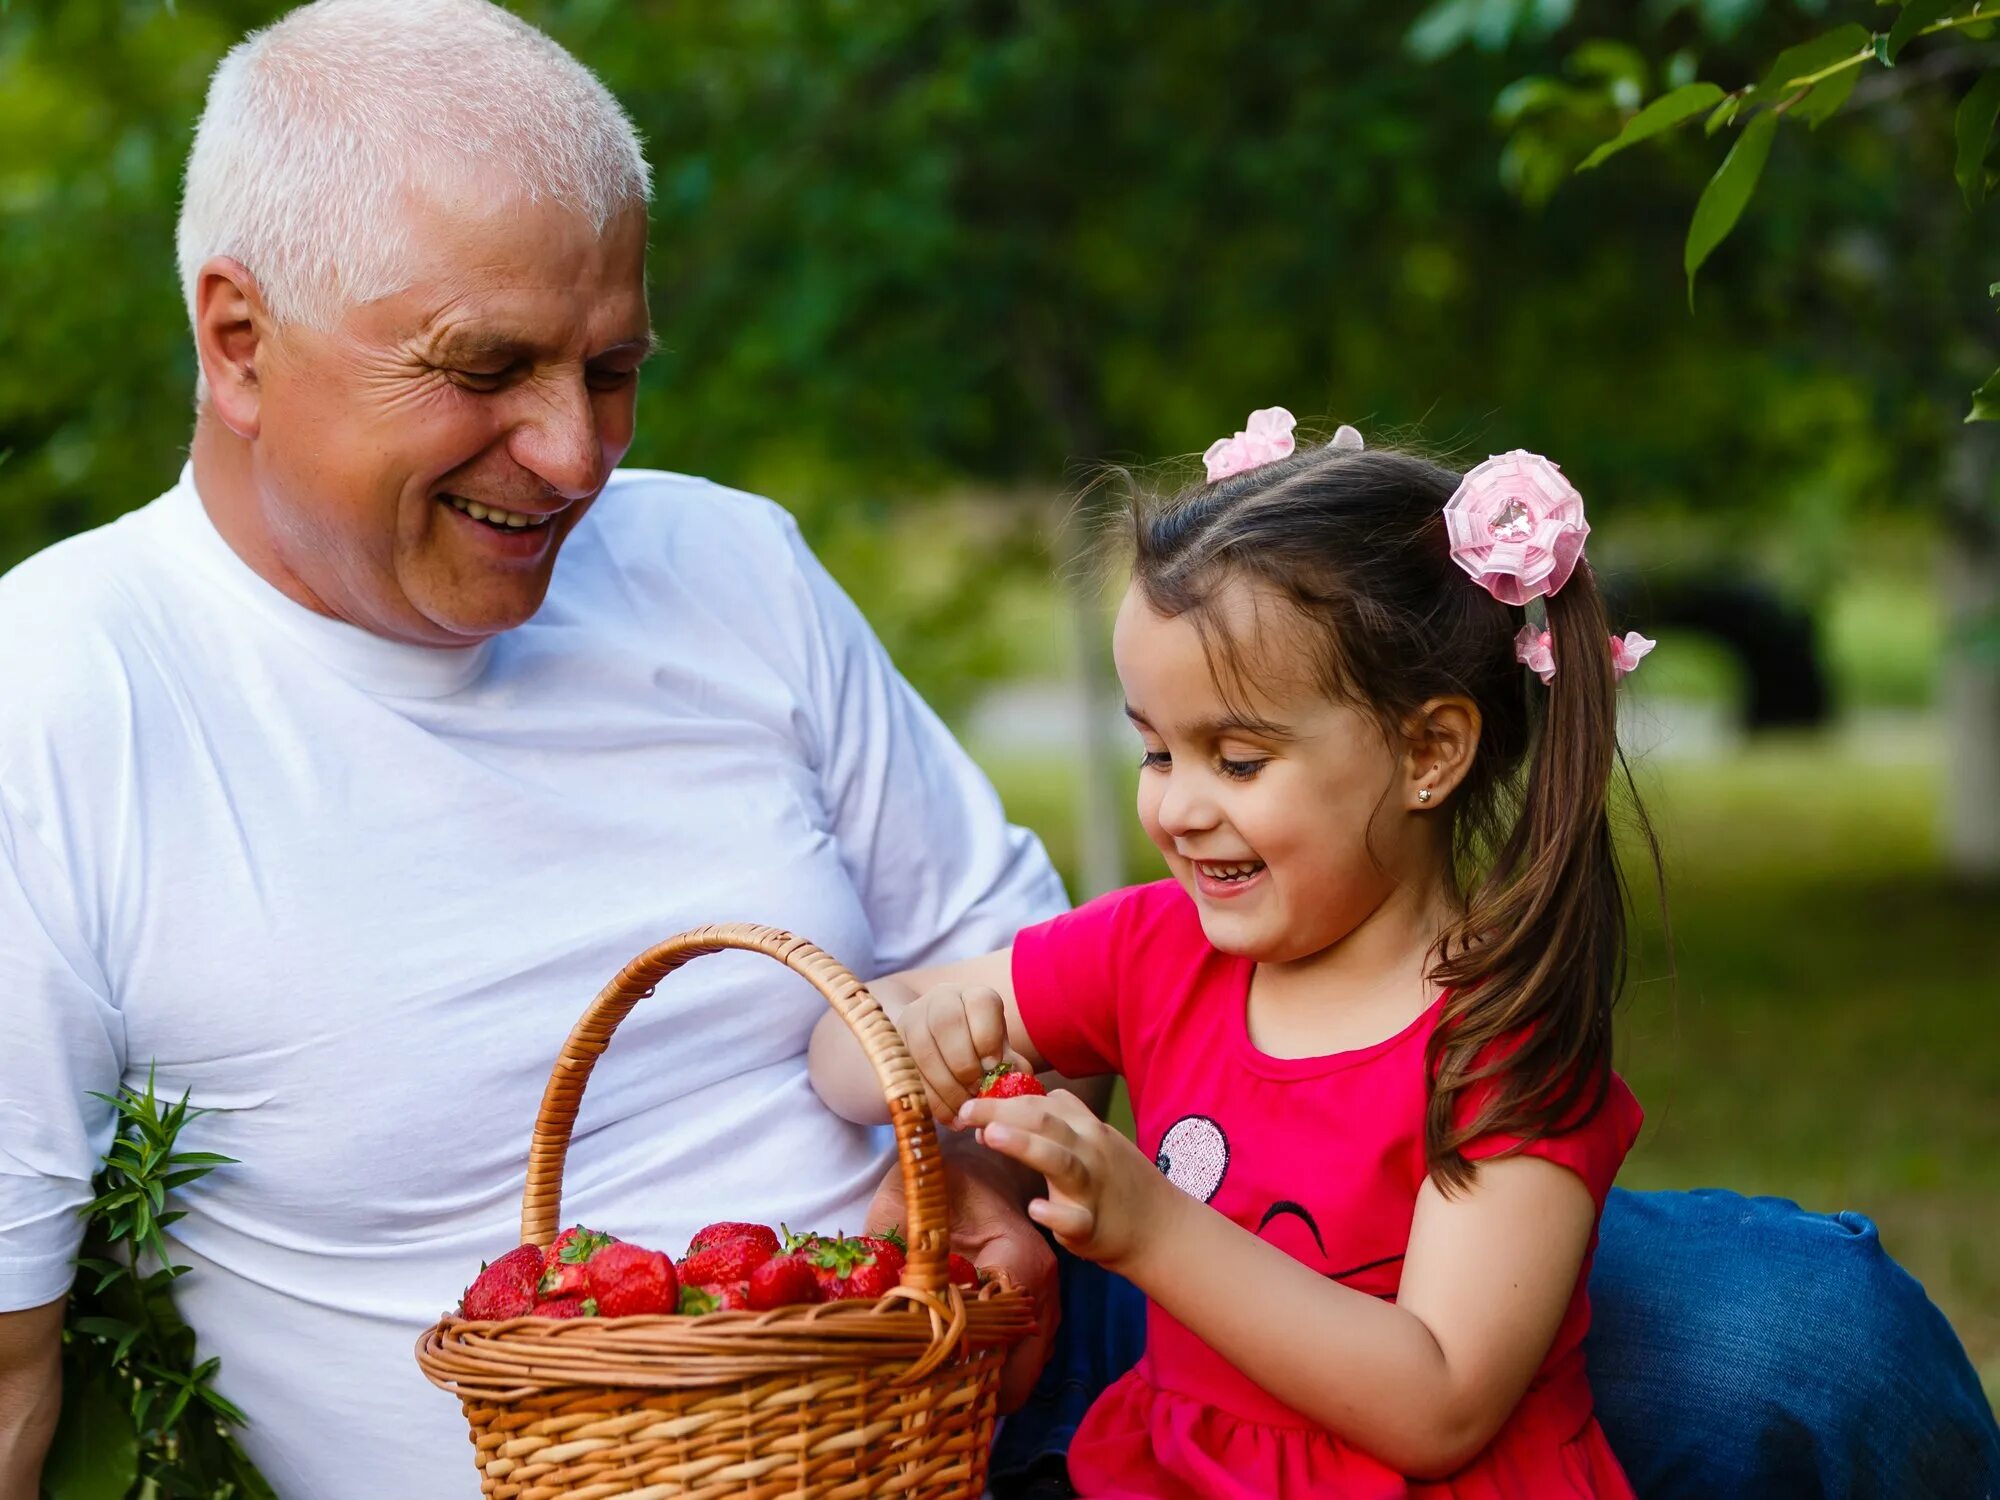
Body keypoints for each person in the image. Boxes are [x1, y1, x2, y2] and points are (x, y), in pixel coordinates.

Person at [2, 2, 1996, 1496]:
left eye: (615, 368)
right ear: (238, 339)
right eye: (488, 373)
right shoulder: (63, 698)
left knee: (1790, 1344)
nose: (581, 454)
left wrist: (964, 1162)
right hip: (612, 1448)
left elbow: (1007, 963)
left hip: (1044, 1349)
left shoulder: (725, 566)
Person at [816, 419, 2000, 1499]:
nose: (1175, 808)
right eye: (1153, 753)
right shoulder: (1155, 950)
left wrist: (1147, 1224)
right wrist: (914, 1047)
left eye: (1235, 760)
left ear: (1428, 750)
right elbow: (837, 1047)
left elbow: (1437, 1401)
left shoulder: (1501, 1033)